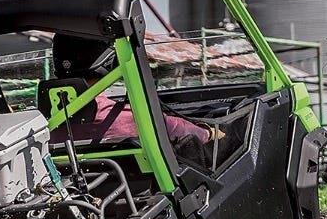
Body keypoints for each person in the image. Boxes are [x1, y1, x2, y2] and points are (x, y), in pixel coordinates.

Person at [49, 34, 217, 154]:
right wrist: (214, 132)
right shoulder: (130, 119)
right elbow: (197, 135)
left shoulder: (42, 129)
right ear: (111, 63)